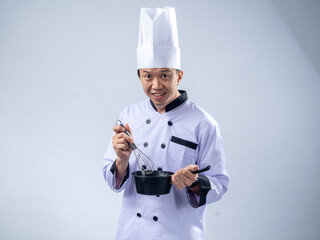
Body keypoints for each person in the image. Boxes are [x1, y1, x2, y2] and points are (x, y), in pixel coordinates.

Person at [103, 7, 229, 240]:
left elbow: (220, 184)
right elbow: (112, 182)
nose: (156, 85)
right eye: (148, 75)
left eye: (165, 75)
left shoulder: (203, 123)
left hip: (178, 233)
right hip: (132, 232)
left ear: (179, 75)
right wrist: (121, 160)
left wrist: (194, 183)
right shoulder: (129, 115)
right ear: (139, 75)